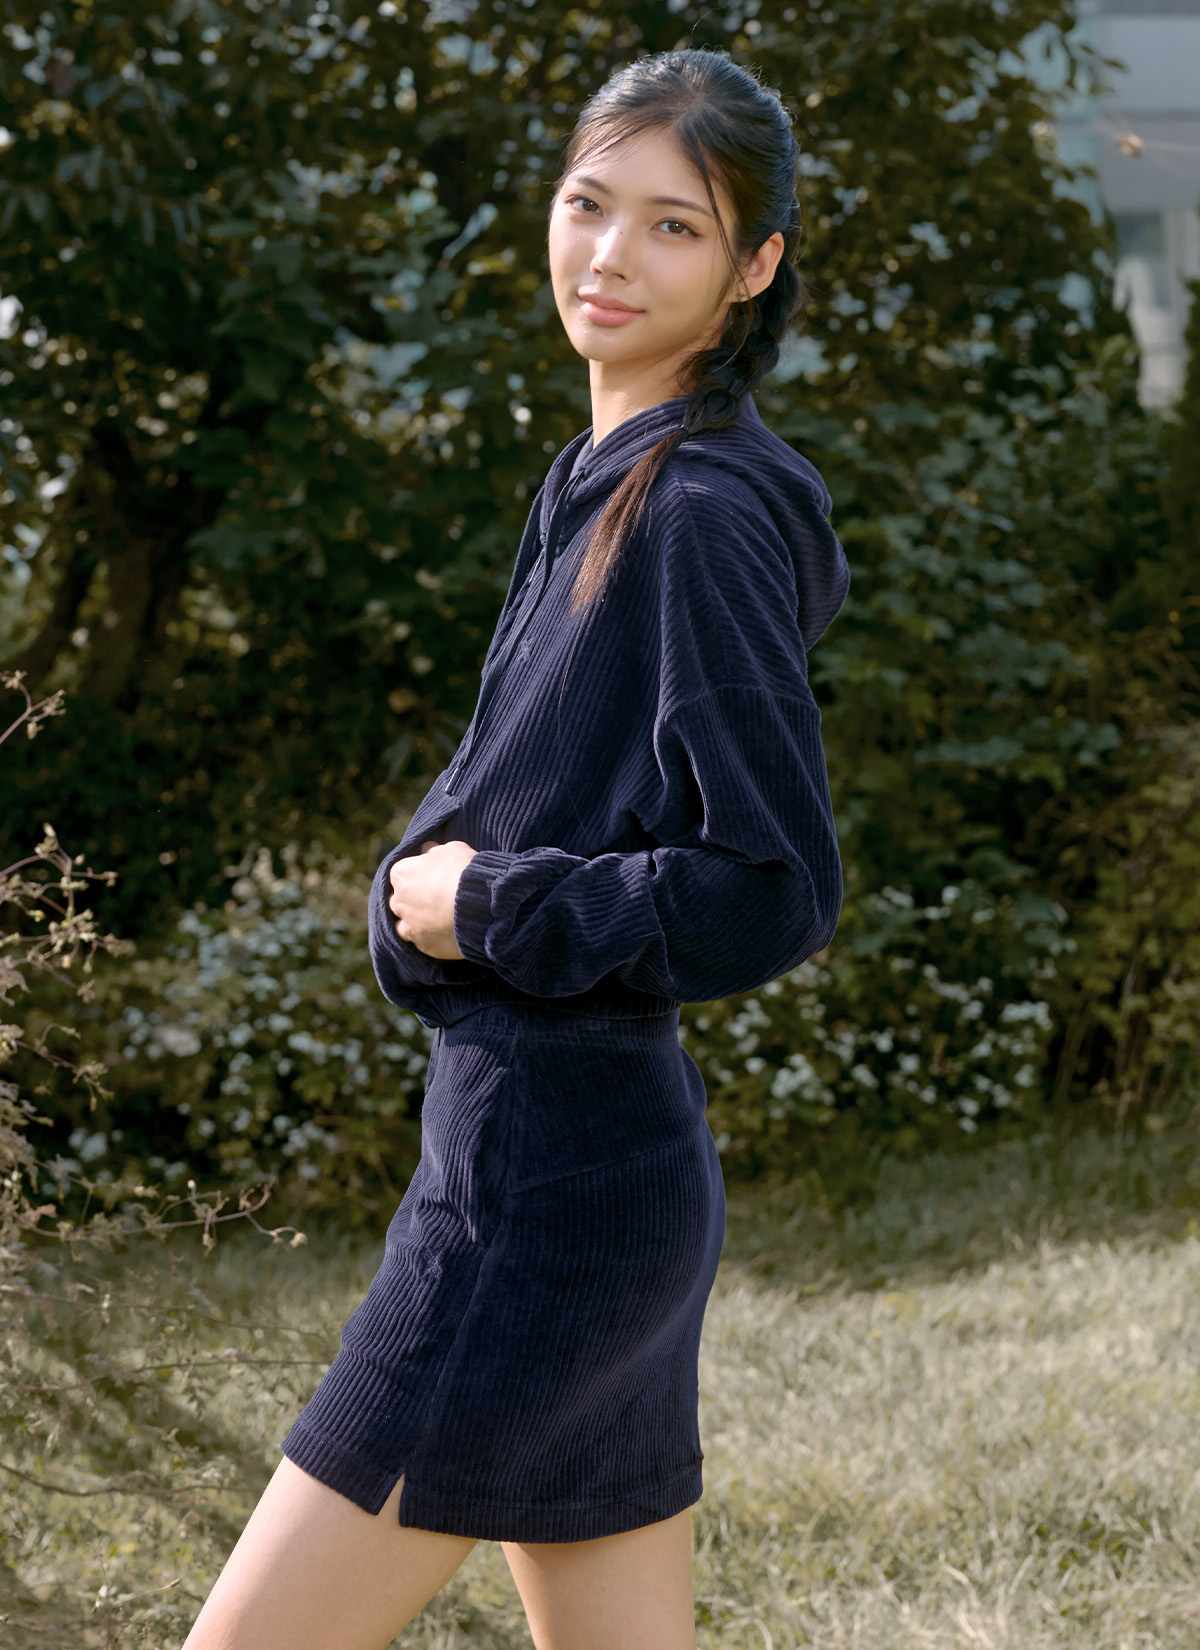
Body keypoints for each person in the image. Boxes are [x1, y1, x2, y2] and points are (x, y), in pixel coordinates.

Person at [183, 44, 850, 1650]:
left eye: (675, 225)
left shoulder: (697, 511)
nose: (610, 254)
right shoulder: (607, 478)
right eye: (587, 203)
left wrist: (491, 901)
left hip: (539, 1196)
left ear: (753, 266)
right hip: (583, 1173)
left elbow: (771, 885)